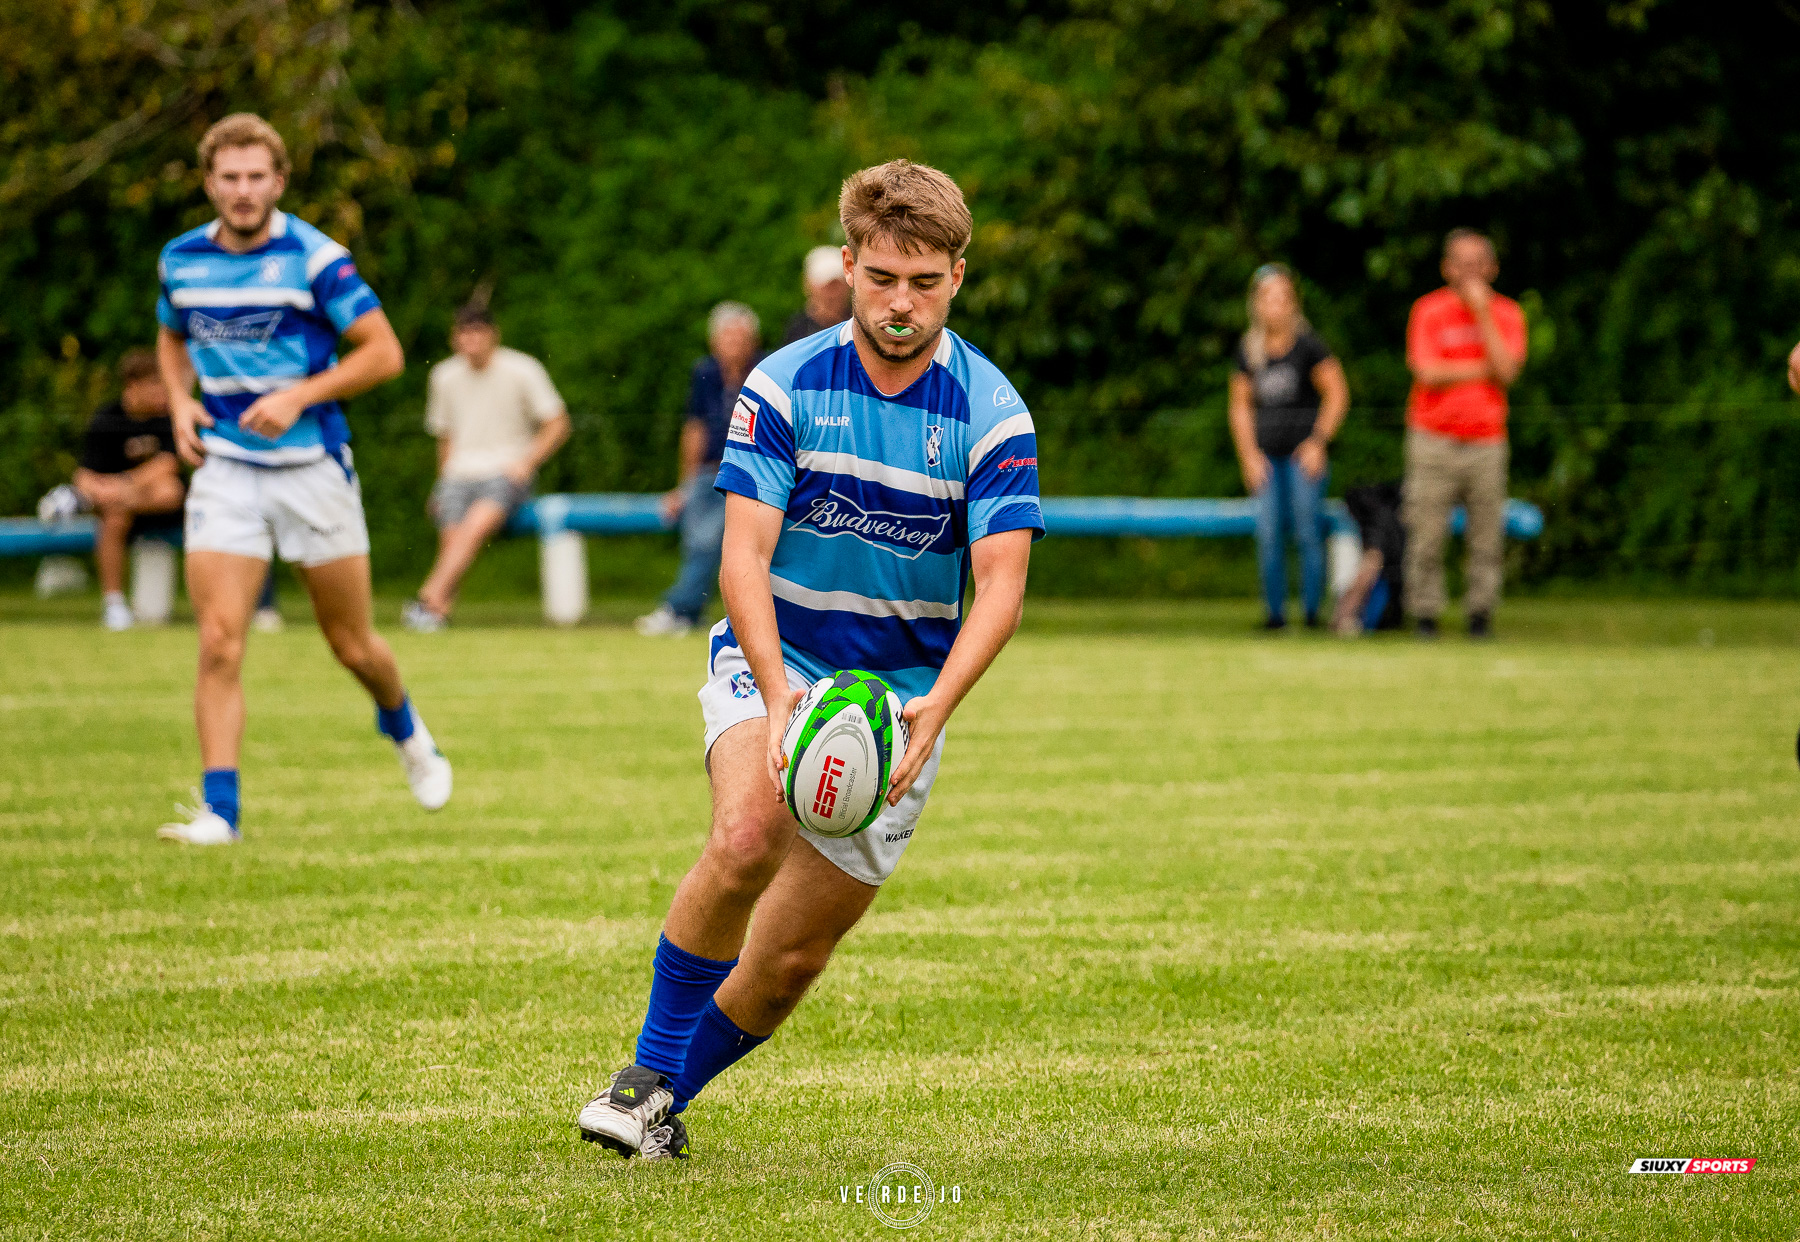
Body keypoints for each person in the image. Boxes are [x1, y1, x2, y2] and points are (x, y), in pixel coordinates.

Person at [578, 159, 1042, 1161]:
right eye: (882, 278)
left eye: (924, 282)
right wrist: (779, 688)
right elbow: (742, 552)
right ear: (848, 266)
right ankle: (641, 1078)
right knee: (748, 832)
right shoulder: (784, 384)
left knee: (789, 960)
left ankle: (667, 1108)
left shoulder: (992, 413)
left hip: (903, 701)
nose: (901, 304)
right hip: (778, 657)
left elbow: (1001, 584)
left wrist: (939, 709)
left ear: (958, 275)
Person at [152, 112, 451, 845]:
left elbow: (383, 353)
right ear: (209, 182)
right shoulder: (181, 259)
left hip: (312, 469)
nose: (244, 190)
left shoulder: (318, 259)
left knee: (351, 645)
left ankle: (406, 730)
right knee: (220, 641)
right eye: (230, 177)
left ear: (279, 181)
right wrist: (179, 399)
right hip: (226, 469)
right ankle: (221, 812)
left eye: (257, 177)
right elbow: (169, 334)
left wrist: (296, 397)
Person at [402, 305, 570, 631]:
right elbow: (445, 437)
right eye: (464, 332)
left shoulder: (522, 369)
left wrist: (527, 461)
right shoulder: (444, 376)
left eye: (478, 331)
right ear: (454, 338)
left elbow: (557, 423)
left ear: (493, 334)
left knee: (476, 526)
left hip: (507, 471)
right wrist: (441, 482)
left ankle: (427, 597)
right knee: (452, 536)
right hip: (458, 473)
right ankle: (435, 613)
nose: (471, 340)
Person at [1402, 229, 1527, 639]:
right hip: (1432, 439)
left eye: (1479, 262)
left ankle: (1480, 615)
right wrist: (1481, 370)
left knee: (1487, 537)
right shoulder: (1428, 311)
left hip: (1487, 440)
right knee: (1427, 534)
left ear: (1492, 267)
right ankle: (1425, 616)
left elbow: (1507, 372)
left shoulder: (1507, 314)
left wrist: (1482, 314)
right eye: (1462, 262)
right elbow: (1427, 372)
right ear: (1447, 268)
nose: (1471, 271)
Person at [1227, 264, 1349, 630]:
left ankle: (1313, 614)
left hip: (1302, 458)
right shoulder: (1248, 351)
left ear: (1293, 304)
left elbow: (1337, 393)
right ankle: (1275, 616)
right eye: (1267, 298)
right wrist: (1248, 456)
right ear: (1256, 304)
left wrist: (1318, 442)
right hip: (1266, 458)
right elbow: (1240, 407)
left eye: (1282, 298)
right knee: (1268, 534)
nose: (1274, 306)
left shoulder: (1309, 346)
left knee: (1308, 531)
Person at [634, 303, 764, 638]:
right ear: (714, 341)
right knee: (702, 535)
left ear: (753, 340)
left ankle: (681, 609)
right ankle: (689, 609)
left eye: (740, 336)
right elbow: (695, 429)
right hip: (710, 473)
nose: (734, 343)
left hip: (754, 471)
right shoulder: (704, 372)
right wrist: (684, 485)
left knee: (709, 538)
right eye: (727, 336)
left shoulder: (766, 370)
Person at [37, 350, 186, 630]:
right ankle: (114, 605)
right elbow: (84, 474)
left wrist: (120, 487)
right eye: (156, 384)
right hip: (120, 511)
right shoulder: (107, 418)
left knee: (169, 490)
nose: (162, 392)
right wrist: (105, 491)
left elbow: (168, 467)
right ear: (133, 385)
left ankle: (77, 502)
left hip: (160, 507)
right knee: (114, 516)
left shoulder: (168, 418)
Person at [780, 245, 852, 345]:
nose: (832, 293)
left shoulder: (861, 325)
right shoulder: (796, 332)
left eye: (837, 284)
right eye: (825, 285)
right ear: (807, 285)